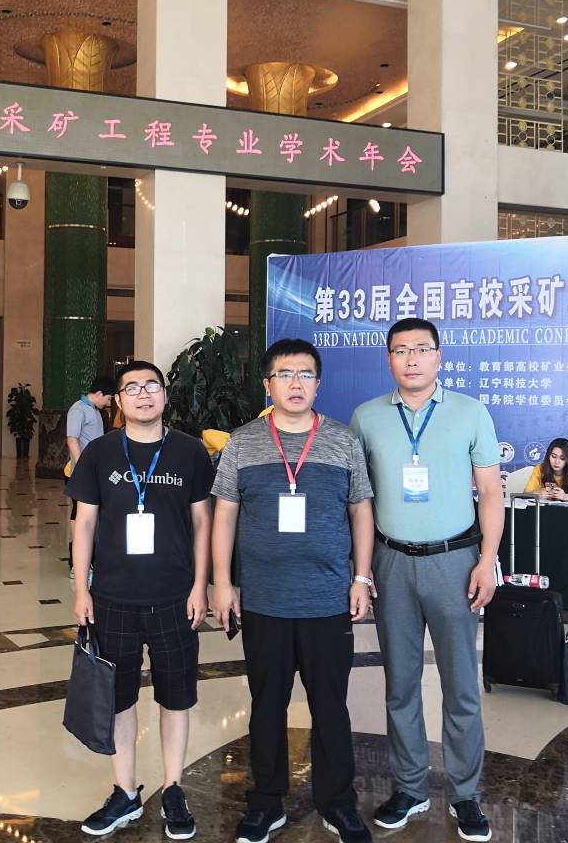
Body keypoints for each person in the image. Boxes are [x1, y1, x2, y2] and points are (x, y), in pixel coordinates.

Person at [212, 338, 376, 843]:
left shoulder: (343, 441)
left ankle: (337, 801)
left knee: (331, 706)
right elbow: (224, 515)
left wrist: (362, 577)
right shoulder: (243, 442)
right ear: (268, 385)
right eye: (284, 374)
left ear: (318, 384)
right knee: (267, 706)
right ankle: (266, 802)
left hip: (327, 599)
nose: (296, 383)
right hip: (264, 601)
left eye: (305, 374)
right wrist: (223, 582)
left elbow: (361, 510)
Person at [349, 318, 502, 843]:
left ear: (439, 356)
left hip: (454, 562)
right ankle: (410, 787)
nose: (411, 359)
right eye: (400, 350)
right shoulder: (367, 417)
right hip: (391, 562)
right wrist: (362, 571)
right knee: (400, 685)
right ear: (388, 359)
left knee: (461, 685)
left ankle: (466, 793)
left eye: (421, 349)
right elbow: (359, 500)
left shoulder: (470, 412)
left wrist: (486, 560)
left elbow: (491, 493)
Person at [68, 361, 214, 839]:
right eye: (132, 388)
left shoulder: (190, 451)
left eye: (152, 385)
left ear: (165, 395)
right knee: (120, 698)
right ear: (118, 401)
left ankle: (173, 787)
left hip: (174, 596)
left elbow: (202, 523)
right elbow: (84, 524)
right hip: (112, 597)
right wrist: (81, 589)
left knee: (176, 696)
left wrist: (201, 585)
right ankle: (125, 791)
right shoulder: (100, 453)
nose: (143, 394)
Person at [68, 376, 115, 573]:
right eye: (109, 398)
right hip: (82, 472)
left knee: (91, 514)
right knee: (79, 514)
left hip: (95, 472)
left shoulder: (94, 410)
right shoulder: (78, 409)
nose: (109, 403)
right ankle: (76, 562)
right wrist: (82, 468)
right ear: (99, 394)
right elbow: (72, 440)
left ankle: (91, 557)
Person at [524, 438, 568, 502]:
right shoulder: (539, 469)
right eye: (553, 456)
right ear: (548, 456)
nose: (557, 462)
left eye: (562, 458)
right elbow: (524, 494)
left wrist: (565, 496)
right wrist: (535, 494)